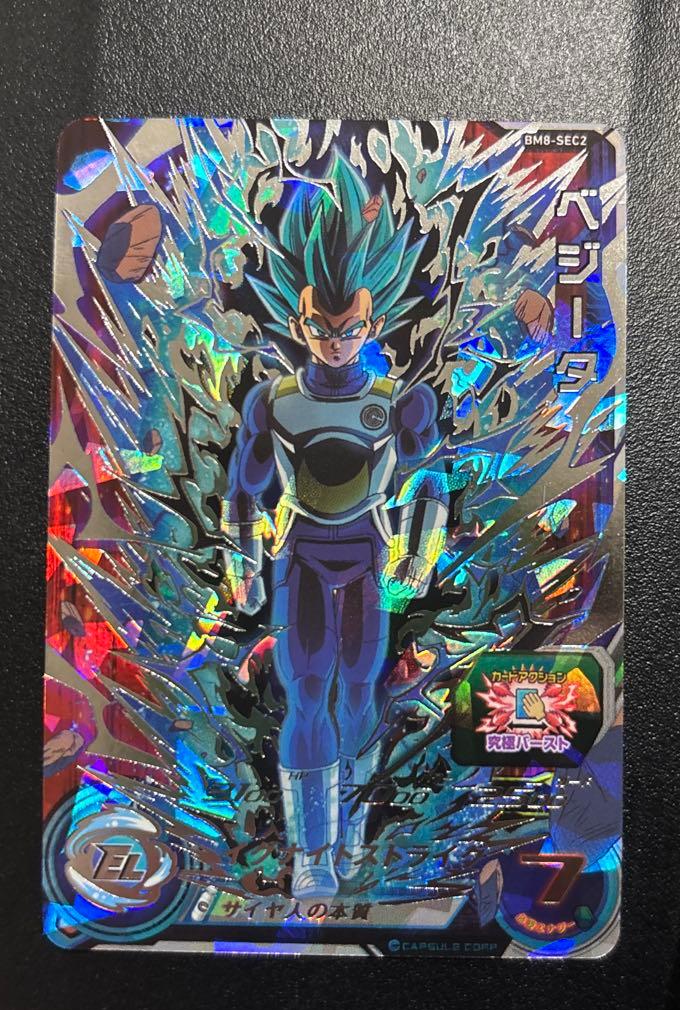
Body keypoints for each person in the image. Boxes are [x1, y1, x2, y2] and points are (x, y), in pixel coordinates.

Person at [221, 155, 448, 899]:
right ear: (299, 324)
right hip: (302, 559)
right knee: (307, 691)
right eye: (321, 328)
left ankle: (350, 830)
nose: (334, 341)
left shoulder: (399, 400)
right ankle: (312, 851)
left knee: (359, 693)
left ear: (370, 325)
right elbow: (244, 489)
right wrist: (242, 564)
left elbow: (430, 481)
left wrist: (421, 555)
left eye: (347, 329)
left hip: (369, 556)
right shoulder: (274, 401)